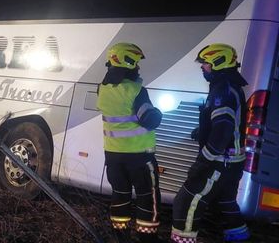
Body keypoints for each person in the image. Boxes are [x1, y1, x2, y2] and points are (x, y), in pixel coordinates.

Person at [170, 44, 250, 243]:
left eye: (205, 63)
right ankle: (240, 238)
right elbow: (226, 124)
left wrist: (202, 162)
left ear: (218, 62)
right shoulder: (229, 86)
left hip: (220, 161)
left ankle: (182, 240)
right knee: (226, 202)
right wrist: (203, 131)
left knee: (186, 202)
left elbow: (222, 132)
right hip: (232, 161)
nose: (202, 67)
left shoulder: (222, 90)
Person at [96, 42, 163, 243]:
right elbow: (149, 119)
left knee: (120, 196)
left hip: (114, 157)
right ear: (128, 62)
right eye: (135, 63)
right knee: (147, 198)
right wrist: (158, 113)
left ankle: (121, 237)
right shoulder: (136, 90)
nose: (138, 67)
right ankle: (147, 239)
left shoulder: (102, 89)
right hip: (140, 157)